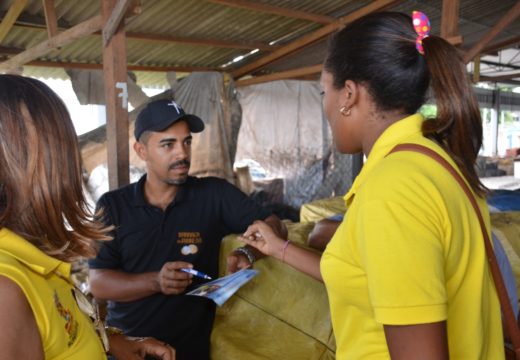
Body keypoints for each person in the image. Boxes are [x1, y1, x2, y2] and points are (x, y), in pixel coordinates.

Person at [240, 11, 504, 359]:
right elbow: (364, 275)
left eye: (324, 91)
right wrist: (279, 248)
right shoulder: (436, 161)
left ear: (348, 94)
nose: (326, 106)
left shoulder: (394, 189)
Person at [88, 99, 286, 360]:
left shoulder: (213, 194)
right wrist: (156, 281)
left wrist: (247, 253)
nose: (182, 154)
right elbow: (98, 283)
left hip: (189, 352)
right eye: (168, 144)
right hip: (129, 349)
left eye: (187, 142)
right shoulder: (114, 206)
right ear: (142, 150)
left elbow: (276, 227)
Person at [0, 75, 175, 360]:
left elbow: (61, 334)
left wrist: (114, 343)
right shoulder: (5, 290)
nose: (69, 162)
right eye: (56, 143)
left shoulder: (34, 262)